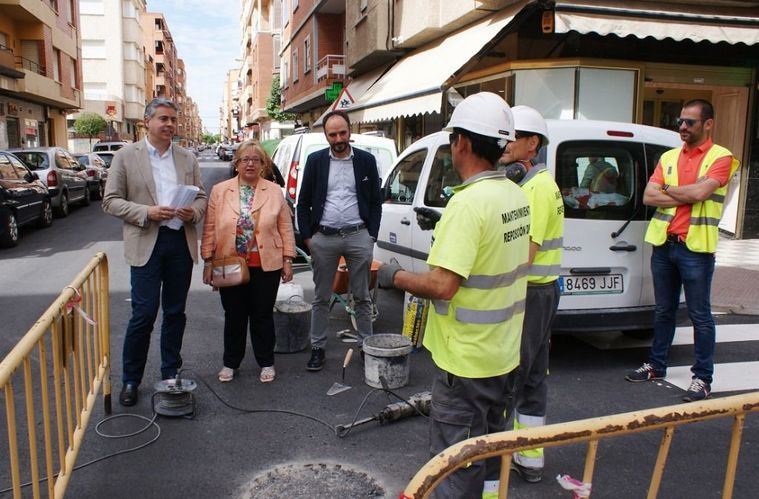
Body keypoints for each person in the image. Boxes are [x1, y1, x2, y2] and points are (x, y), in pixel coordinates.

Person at [377, 92, 530, 497]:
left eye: (450, 140)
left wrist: (392, 275)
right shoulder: (516, 195)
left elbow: (443, 285)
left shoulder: (468, 205)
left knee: (454, 463)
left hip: (466, 362)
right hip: (504, 354)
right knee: (494, 452)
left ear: (461, 142)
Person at [626, 99, 739, 402]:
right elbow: (649, 197)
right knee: (663, 310)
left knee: (700, 315)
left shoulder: (722, 157)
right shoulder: (669, 157)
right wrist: (683, 194)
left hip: (696, 249)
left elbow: (702, 192)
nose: (682, 127)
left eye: (690, 122)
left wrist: (667, 190)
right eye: (680, 121)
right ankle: (656, 364)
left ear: (708, 124)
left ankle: (702, 379)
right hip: (665, 244)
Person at [102, 98, 207, 407]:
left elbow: (201, 197)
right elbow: (110, 201)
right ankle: (131, 380)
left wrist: (194, 213)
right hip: (146, 242)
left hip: (179, 243)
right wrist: (147, 211)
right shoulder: (125, 156)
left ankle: (170, 373)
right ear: (146, 122)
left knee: (175, 313)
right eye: (163, 119)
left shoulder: (187, 158)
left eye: (173, 119)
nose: (170, 125)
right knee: (144, 314)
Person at [498, 106, 563, 484]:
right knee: (535, 376)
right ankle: (531, 457)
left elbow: (526, 254)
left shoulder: (537, 189)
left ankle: (498, 456)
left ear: (532, 143)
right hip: (543, 291)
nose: (505, 143)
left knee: (514, 374)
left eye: (512, 136)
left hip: (532, 293)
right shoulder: (539, 184)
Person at [201, 140, 296, 383]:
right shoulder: (220, 190)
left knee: (262, 315)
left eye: (256, 160)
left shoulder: (274, 191)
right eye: (245, 159)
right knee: (234, 315)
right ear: (237, 164)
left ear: (264, 165)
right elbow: (210, 227)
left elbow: (285, 227)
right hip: (229, 263)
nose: (250, 164)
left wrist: (287, 259)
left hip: (266, 264)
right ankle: (231, 362)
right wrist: (208, 261)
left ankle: (266, 362)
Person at [296, 110, 382, 371]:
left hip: (358, 236)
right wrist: (309, 239)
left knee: (363, 296)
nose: (338, 138)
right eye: (332, 134)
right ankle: (318, 348)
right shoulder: (316, 161)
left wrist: (371, 237)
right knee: (321, 297)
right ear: (326, 136)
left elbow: (376, 202)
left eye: (342, 132)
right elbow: (303, 203)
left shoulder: (366, 160)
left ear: (350, 131)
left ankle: (366, 347)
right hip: (324, 237)